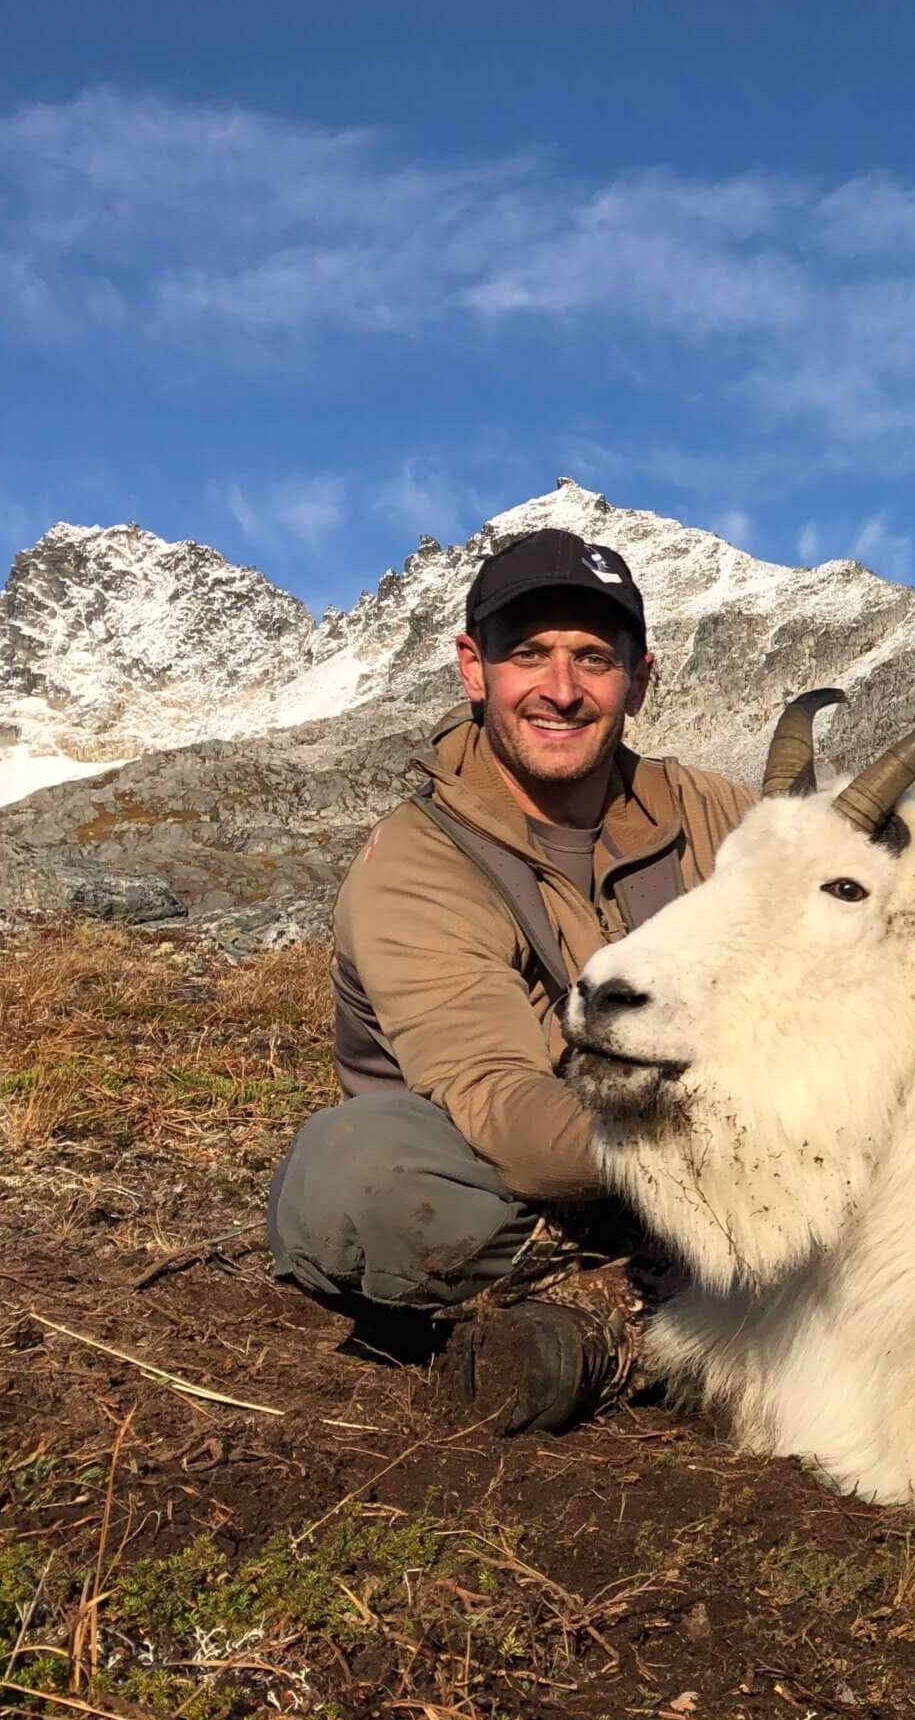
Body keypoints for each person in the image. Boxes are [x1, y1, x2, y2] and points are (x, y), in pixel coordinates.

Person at [267, 527, 757, 1433]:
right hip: (538, 1185)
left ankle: (619, 1320)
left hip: (731, 1158)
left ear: (638, 681)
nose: (562, 690)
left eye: (593, 659)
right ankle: (658, 1298)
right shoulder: (417, 861)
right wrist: (730, 1146)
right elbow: (500, 1109)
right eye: (528, 653)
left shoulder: (715, 814)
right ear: (473, 667)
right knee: (357, 1173)